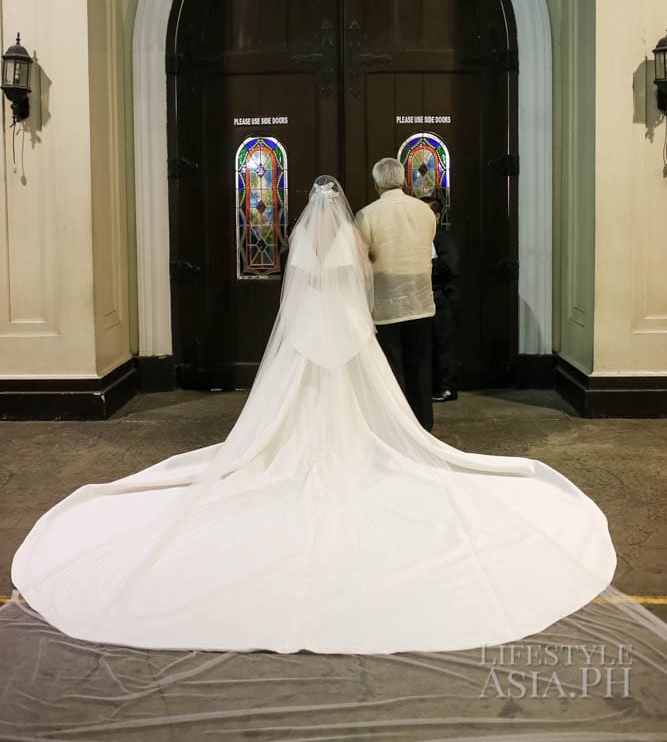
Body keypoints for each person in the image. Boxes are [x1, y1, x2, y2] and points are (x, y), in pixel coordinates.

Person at [11, 176, 616, 655]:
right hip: (347, 324)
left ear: (308, 210)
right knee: (361, 389)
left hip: (308, 325)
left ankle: (295, 446)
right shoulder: (353, 235)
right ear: (341, 208)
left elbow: (293, 283)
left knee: (296, 394)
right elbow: (363, 277)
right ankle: (366, 442)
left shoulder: (302, 239)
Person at [354, 158, 436, 431]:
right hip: (420, 299)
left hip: (385, 302)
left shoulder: (368, 215)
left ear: (376, 183)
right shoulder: (425, 211)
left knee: (391, 368)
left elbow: (360, 259)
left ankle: (398, 428)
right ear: (403, 180)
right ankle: (423, 425)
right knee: (420, 365)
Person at [423, 197, 460, 402]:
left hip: (443, 297)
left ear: (437, 216)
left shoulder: (443, 238)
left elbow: (450, 267)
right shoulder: (420, 236)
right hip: (425, 296)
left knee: (443, 343)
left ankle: (448, 388)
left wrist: (426, 263)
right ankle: (433, 386)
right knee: (429, 344)